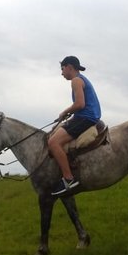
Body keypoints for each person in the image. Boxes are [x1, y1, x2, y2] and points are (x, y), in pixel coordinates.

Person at [48, 56, 102, 195]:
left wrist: (65, 111)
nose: (61, 73)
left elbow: (80, 104)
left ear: (69, 67)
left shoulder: (76, 81)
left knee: (53, 142)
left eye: (62, 69)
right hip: (87, 116)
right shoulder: (82, 79)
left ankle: (68, 178)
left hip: (85, 118)